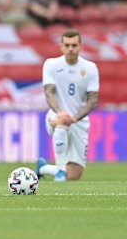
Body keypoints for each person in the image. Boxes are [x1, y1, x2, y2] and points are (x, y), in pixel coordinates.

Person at [36, 30, 99, 182]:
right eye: (67, 45)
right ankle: (59, 172)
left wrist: (75, 118)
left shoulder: (90, 68)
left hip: (79, 122)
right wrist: (60, 112)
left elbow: (92, 100)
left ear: (80, 46)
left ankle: (44, 168)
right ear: (61, 47)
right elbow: (49, 92)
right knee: (61, 123)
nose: (71, 48)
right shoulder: (51, 64)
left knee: (74, 175)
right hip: (55, 115)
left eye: (74, 45)